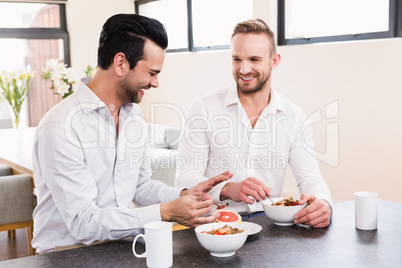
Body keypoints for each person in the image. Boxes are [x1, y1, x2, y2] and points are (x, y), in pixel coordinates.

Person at [32, 14, 232, 254]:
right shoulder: (60, 126)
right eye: (151, 73)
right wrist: (166, 211)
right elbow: (83, 223)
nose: (156, 83)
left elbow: (139, 187)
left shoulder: (133, 118)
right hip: (67, 255)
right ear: (120, 63)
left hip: (122, 247)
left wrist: (185, 195)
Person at [176, 19, 333, 227]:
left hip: (268, 225)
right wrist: (226, 188)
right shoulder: (202, 109)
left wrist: (324, 203)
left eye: (254, 59)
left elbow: (309, 179)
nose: (243, 69)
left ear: (274, 61)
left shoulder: (294, 117)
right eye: (236, 59)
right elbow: (183, 179)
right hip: (211, 225)